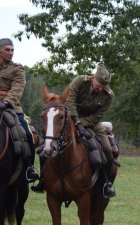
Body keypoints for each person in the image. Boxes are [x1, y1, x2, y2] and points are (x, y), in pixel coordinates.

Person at [32, 63, 116, 198]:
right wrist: (76, 121)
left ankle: (107, 183)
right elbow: (70, 102)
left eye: (103, 87)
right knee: (44, 146)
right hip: (69, 119)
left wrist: (82, 123)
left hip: (92, 123)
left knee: (107, 148)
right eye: (98, 85)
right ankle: (42, 180)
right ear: (93, 78)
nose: (100, 89)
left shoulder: (109, 95)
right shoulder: (79, 81)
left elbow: (98, 116)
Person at [0, 38, 39, 182]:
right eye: (7, 50)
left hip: (11, 108)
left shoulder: (17, 69)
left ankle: (29, 168)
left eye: (12, 50)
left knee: (27, 134)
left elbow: (17, 89)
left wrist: (6, 102)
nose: (10, 53)